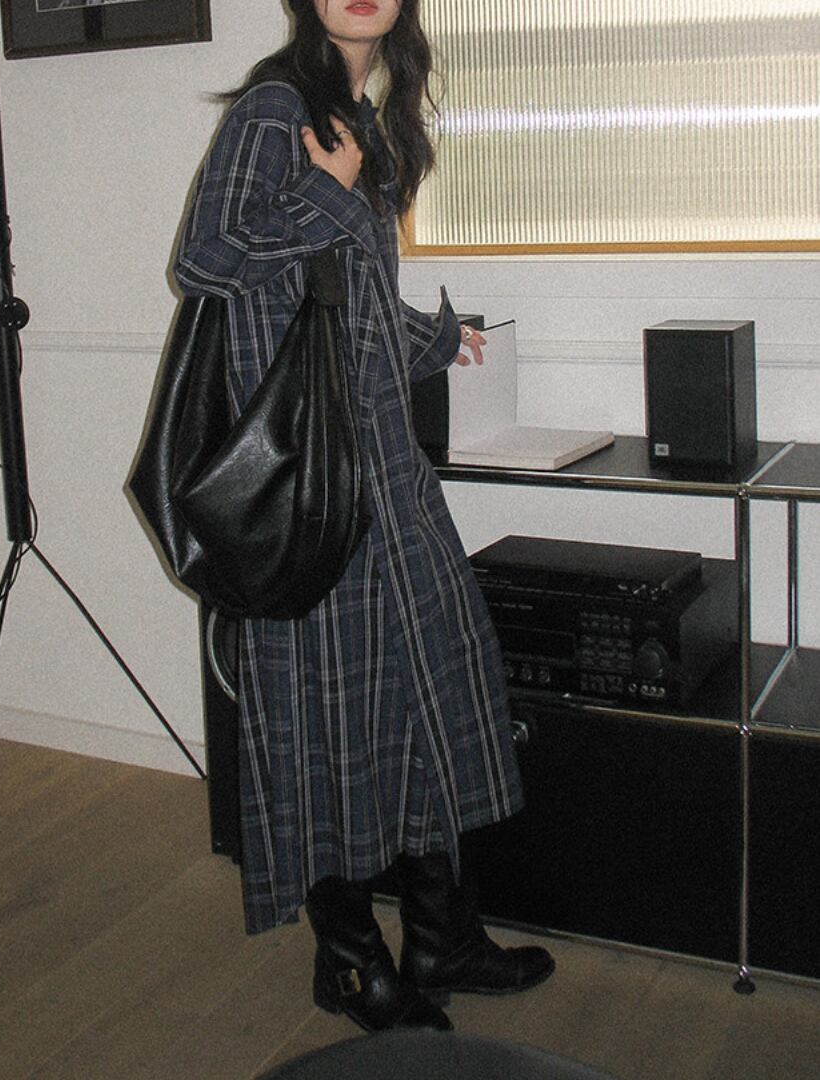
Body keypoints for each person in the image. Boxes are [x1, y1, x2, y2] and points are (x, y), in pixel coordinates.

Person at [173, 0, 555, 1033]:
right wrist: (325, 194)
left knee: (433, 692)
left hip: (387, 474)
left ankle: (441, 938)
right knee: (322, 723)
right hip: (312, 488)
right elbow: (205, 261)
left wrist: (439, 337)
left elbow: (344, 299)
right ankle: (349, 963)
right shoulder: (275, 108)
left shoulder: (366, 116)